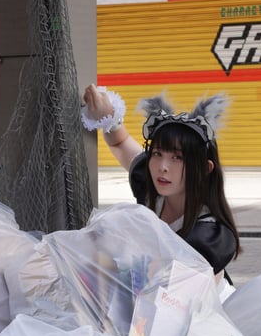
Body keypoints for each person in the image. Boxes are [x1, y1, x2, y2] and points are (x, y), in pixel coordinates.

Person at [82, 83, 240, 286]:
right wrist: (106, 115)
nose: (163, 167)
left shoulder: (210, 236)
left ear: (204, 168)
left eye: (178, 157)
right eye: (157, 153)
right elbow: (120, 143)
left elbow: (177, 296)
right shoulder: (152, 187)